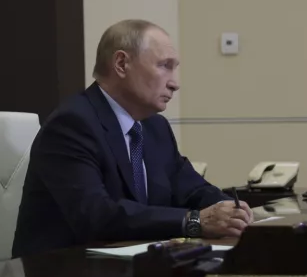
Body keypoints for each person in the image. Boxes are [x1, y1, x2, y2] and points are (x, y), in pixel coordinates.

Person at [13, 20, 253, 258]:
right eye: (164, 66)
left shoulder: (154, 127)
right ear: (121, 64)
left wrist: (232, 211)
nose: (175, 83)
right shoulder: (72, 124)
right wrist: (194, 221)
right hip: (61, 276)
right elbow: (97, 215)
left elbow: (191, 189)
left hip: (133, 269)